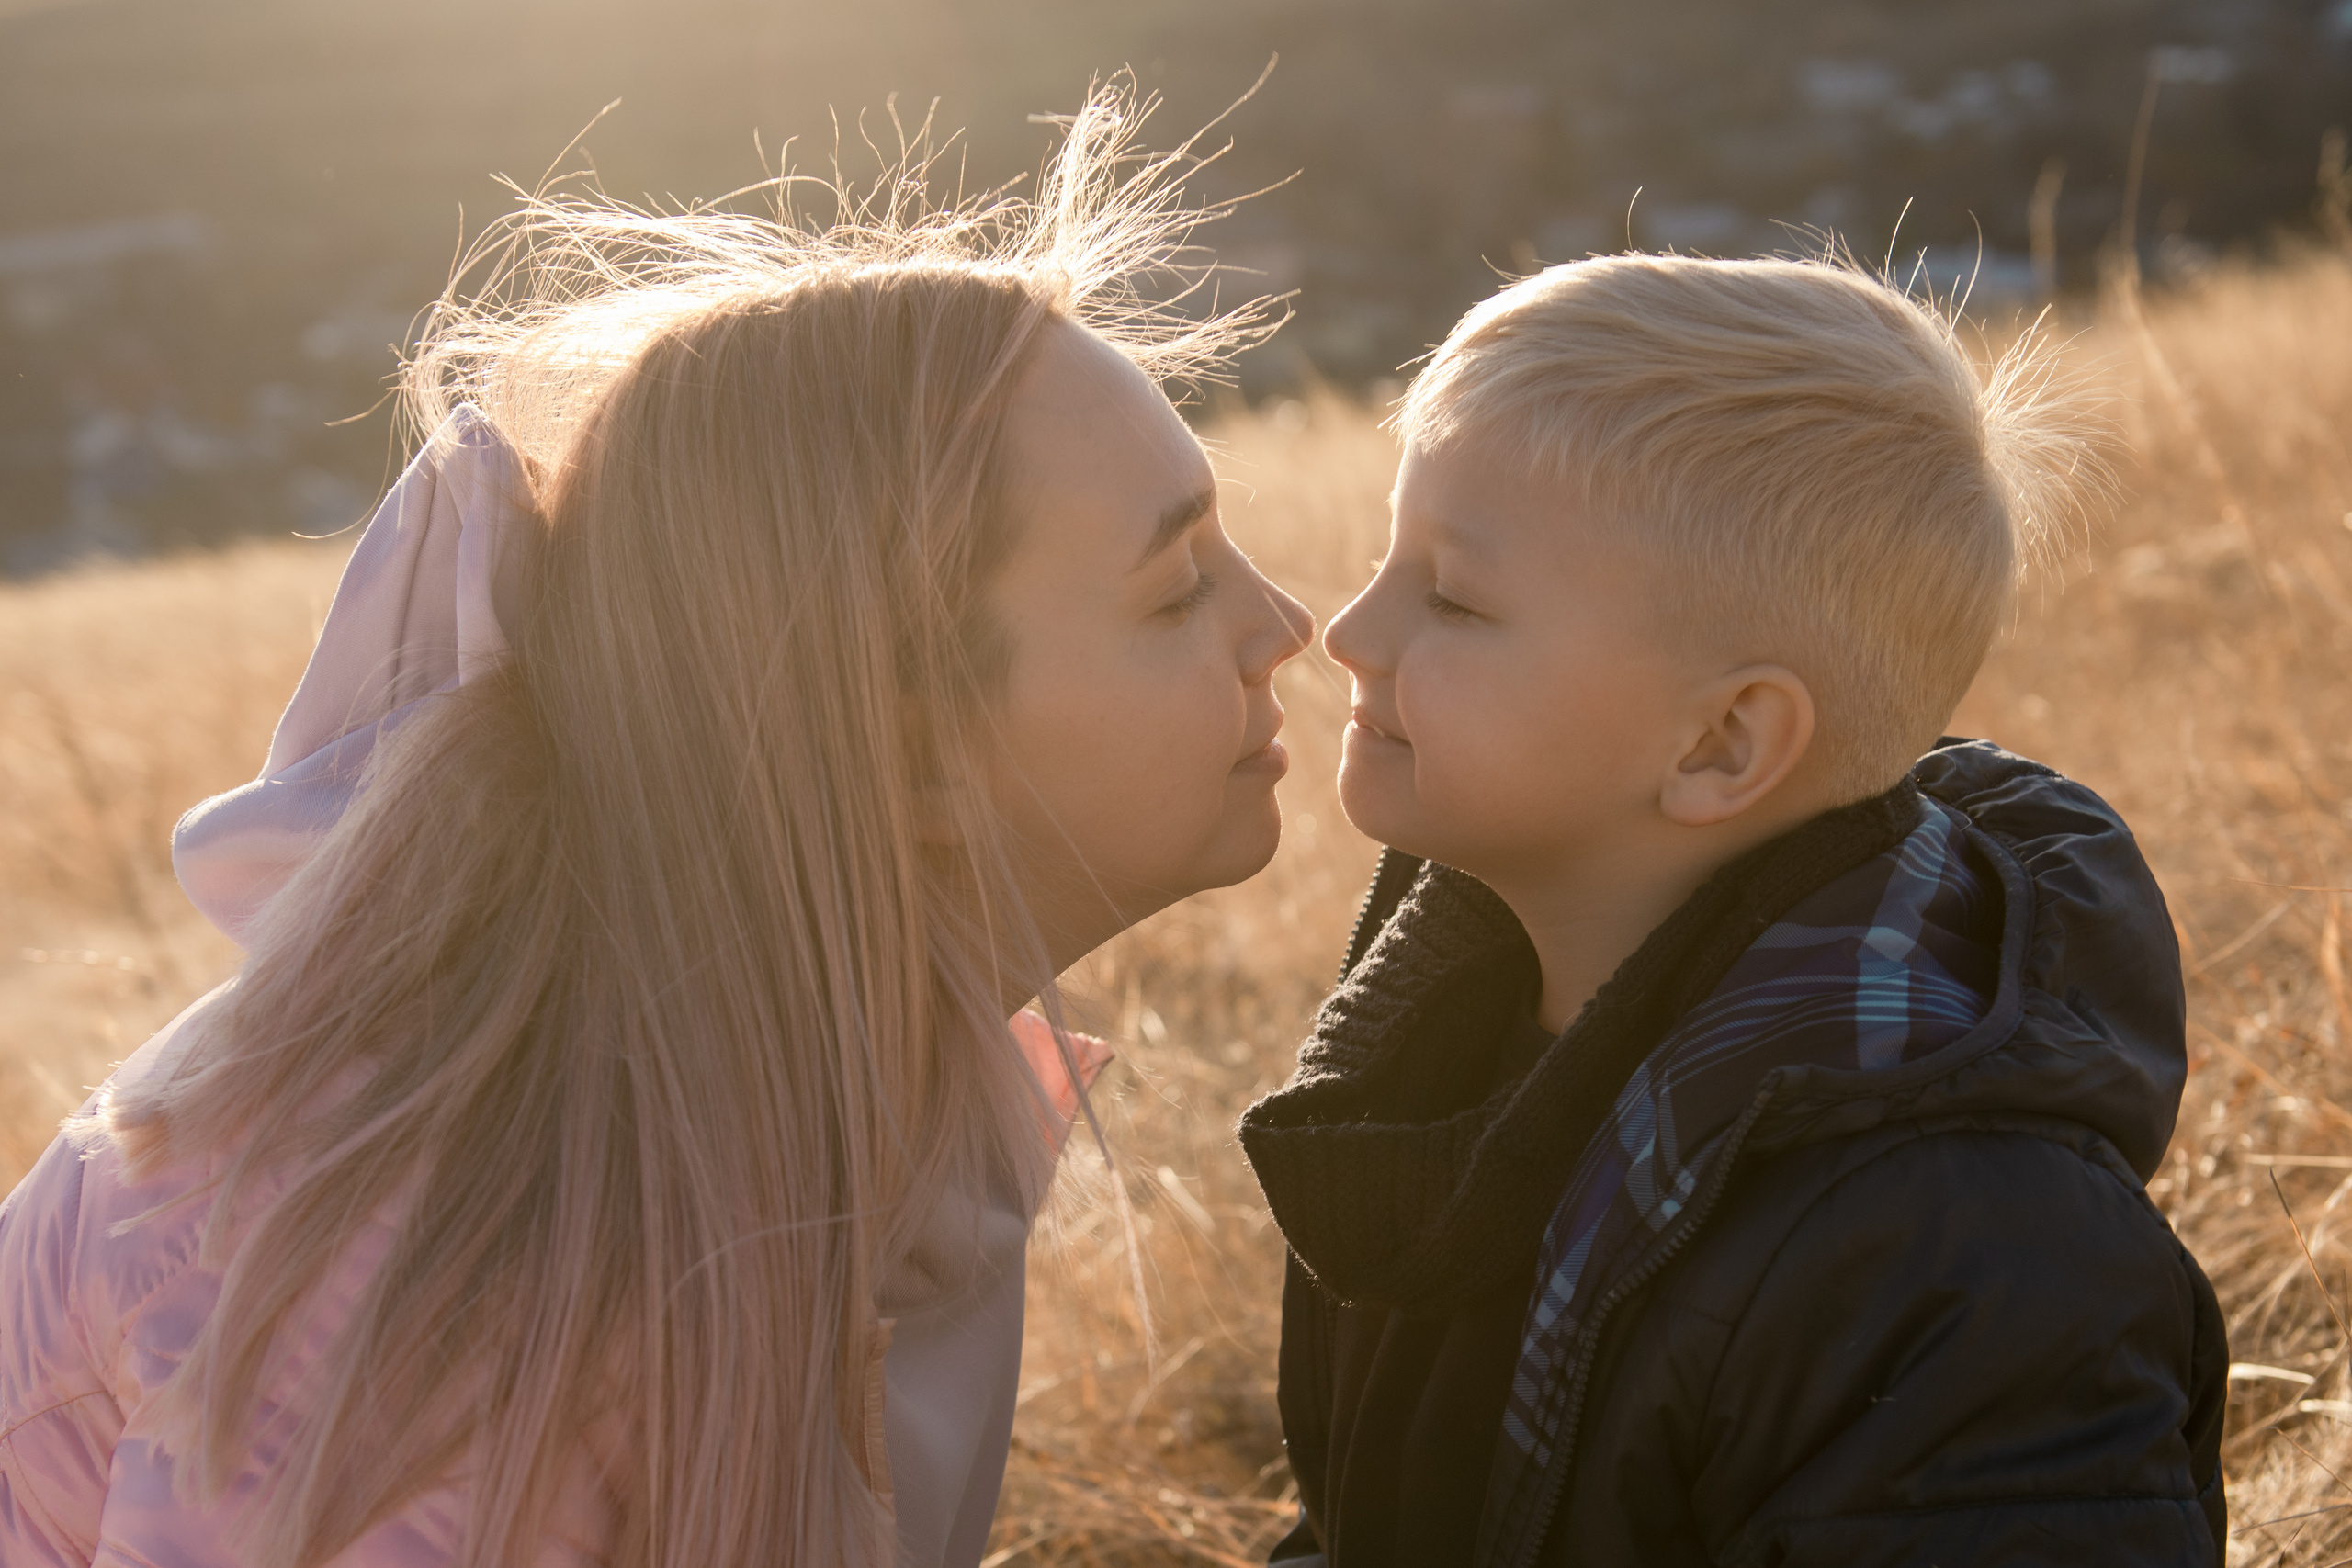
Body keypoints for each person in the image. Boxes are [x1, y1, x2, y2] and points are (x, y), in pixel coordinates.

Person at [0, 86, 1313, 1568]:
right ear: (900, 741)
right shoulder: (450, 1284)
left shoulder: (825, 1103)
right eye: (1178, 586)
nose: (1290, 624)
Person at [1240, 254, 2227, 1566]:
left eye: (1458, 598)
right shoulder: (1432, 1056)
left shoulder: (1956, 1260)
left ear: (1719, 743)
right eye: (1388, 554)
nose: (1350, 629)